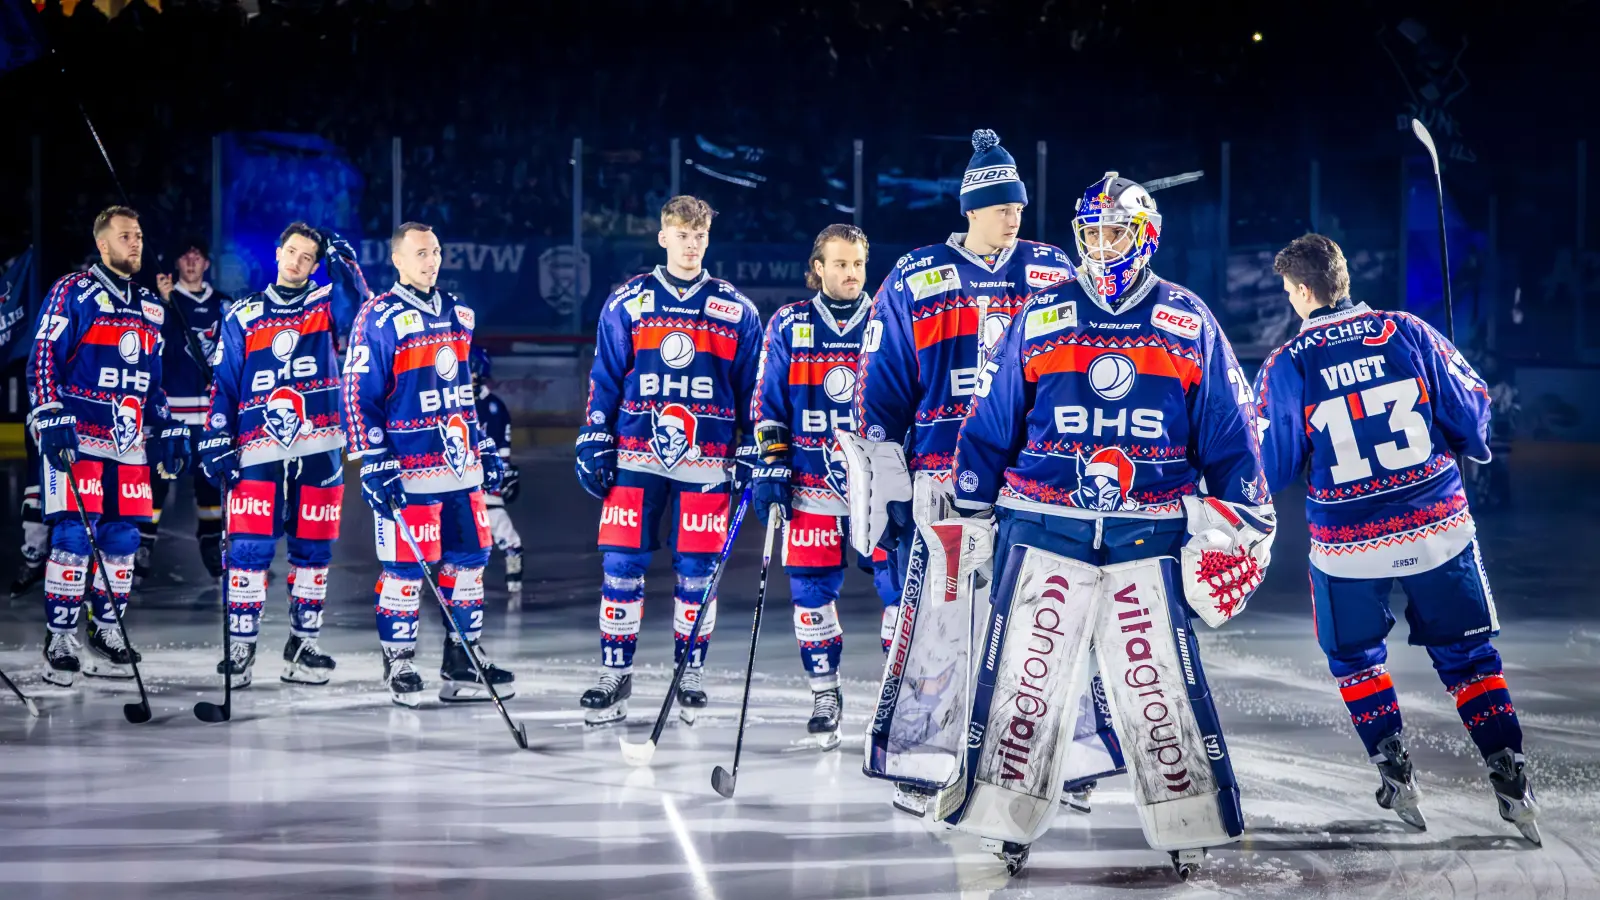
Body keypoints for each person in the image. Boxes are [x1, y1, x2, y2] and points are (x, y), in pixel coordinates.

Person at [943, 171, 1274, 876]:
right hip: (1042, 527)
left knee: (1155, 684)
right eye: (1089, 233)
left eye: (1114, 231)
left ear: (1146, 235)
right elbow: (992, 420)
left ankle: (1186, 820)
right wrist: (971, 506)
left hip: (1147, 533)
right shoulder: (1043, 314)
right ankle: (1006, 818)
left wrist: (1242, 515)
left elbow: (1227, 430)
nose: (1099, 246)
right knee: (1025, 681)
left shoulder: (1187, 320)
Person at [841, 129, 1101, 820]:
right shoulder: (916, 276)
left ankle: (1062, 757)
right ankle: (923, 761)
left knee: (1046, 622)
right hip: (943, 481)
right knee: (938, 626)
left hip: (1034, 478)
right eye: (998, 204)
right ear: (970, 208)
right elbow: (883, 389)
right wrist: (887, 483)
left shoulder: (1053, 271)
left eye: (1018, 203)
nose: (1014, 214)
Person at [1252, 233, 1540, 843]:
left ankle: (1394, 769)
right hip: (1437, 524)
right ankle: (1509, 773)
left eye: (1287, 290)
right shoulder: (1408, 331)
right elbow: (1471, 412)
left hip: (1347, 541)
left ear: (1304, 292)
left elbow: (1271, 464)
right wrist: (1468, 440)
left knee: (1355, 658)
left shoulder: (1288, 363)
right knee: (1469, 658)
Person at [575, 195, 763, 726]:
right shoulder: (628, 301)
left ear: (708, 239)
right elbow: (606, 376)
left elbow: (753, 390)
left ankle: (690, 673)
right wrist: (593, 435)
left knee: (699, 573)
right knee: (621, 568)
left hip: (708, 463)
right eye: (682, 234)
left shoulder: (735, 308)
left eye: (699, 235)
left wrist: (753, 443)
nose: (691, 243)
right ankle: (615, 674)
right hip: (636, 456)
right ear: (663, 237)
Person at [343, 221, 511, 707]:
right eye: (420, 252)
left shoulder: (459, 313)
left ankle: (463, 660)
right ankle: (399, 662)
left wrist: (483, 448)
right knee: (404, 569)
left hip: (460, 464)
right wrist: (373, 459)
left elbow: (463, 395)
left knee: (471, 564)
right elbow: (358, 394)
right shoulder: (379, 316)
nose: (430, 260)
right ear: (397, 259)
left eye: (435, 251)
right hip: (407, 468)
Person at [750, 224, 899, 750]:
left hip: (877, 490)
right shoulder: (789, 325)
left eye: (858, 264)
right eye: (840, 264)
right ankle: (825, 694)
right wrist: (771, 464)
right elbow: (768, 405)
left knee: (899, 596)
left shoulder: (886, 321)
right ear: (817, 268)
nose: (851, 274)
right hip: (811, 489)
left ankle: (895, 700)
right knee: (811, 597)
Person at [26, 206, 189, 685]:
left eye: (138, 235)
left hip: (129, 440)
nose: (135, 243)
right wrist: (48, 415)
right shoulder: (72, 292)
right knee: (75, 536)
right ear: (102, 244)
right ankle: (60, 635)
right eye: (124, 236)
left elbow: (151, 384)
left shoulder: (150, 306)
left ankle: (106, 628)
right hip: (77, 436)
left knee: (122, 540)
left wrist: (166, 425)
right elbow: (42, 358)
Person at [198, 223, 360, 688]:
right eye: (291, 252)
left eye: (307, 257)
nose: (296, 261)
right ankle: (242, 648)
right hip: (257, 448)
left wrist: (344, 266)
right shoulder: (243, 313)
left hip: (322, 447)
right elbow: (225, 382)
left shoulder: (327, 303)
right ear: (277, 252)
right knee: (249, 549)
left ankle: (303, 646)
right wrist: (216, 436)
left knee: (313, 550)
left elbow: (358, 311)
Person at [145, 239, 231, 583]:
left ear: (207, 263)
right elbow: (151, 347)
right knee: (158, 481)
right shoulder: (163, 302)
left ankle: (212, 546)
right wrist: (165, 304)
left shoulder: (225, 305)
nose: (192, 260)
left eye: (198, 255)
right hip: (172, 415)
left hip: (211, 416)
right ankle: (142, 546)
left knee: (210, 485)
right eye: (186, 254)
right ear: (177, 262)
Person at [470, 347, 523, 596]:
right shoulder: (447, 401)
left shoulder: (494, 407)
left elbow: (503, 448)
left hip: (485, 476)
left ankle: (514, 567)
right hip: (453, 476)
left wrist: (505, 472)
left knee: (499, 523)